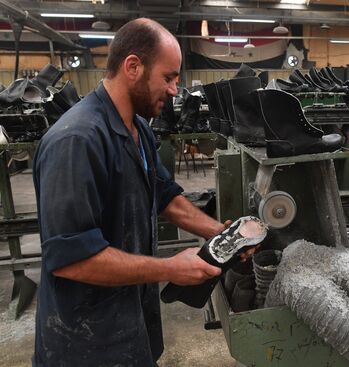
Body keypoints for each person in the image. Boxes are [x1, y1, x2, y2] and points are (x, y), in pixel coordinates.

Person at [32, 18, 254, 366]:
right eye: (168, 77)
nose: (174, 90)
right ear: (133, 66)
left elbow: (165, 197)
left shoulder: (140, 131)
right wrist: (169, 268)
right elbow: (70, 258)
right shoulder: (76, 142)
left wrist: (224, 235)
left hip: (131, 323)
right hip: (85, 342)